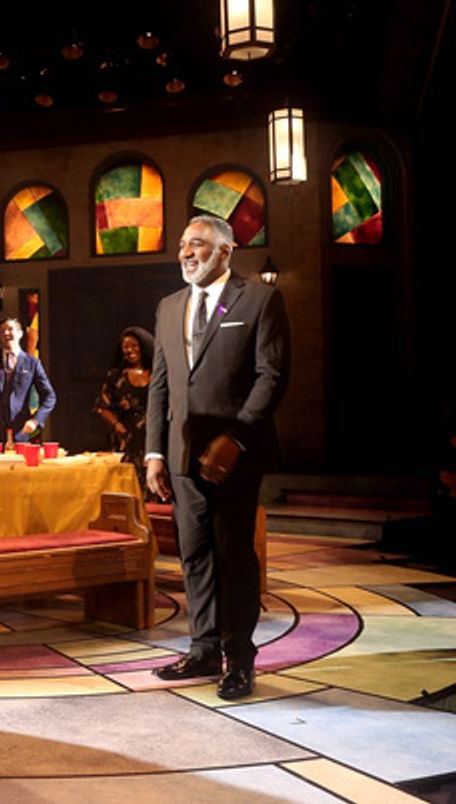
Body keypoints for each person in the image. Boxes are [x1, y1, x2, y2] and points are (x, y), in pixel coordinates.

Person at [146, 214, 290, 701]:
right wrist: (154, 453)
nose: (186, 252)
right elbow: (161, 386)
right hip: (183, 454)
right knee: (193, 555)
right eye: (183, 244)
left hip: (235, 455)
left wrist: (238, 437)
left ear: (225, 251)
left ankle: (240, 659)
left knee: (233, 556)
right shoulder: (168, 308)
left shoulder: (259, 300)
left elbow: (270, 377)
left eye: (198, 245)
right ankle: (203, 648)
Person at [0, 317, 56, 446]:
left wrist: (36, 421)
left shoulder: (32, 364)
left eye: (10, 329)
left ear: (20, 334)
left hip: (20, 433)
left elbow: (50, 396)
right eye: (2, 331)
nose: (6, 333)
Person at [93, 327, 154, 469]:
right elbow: (102, 407)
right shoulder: (116, 376)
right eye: (125, 346)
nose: (130, 350)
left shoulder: (157, 372)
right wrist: (116, 425)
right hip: (128, 437)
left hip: (154, 435)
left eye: (134, 345)